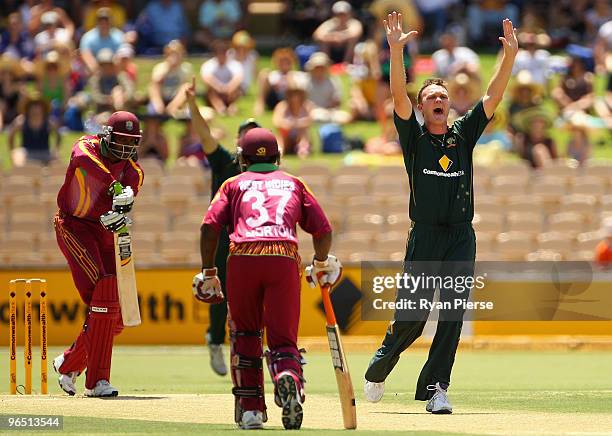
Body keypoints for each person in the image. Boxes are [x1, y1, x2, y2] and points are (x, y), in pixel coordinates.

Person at [364, 12, 518, 413]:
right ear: (421, 106)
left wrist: (509, 57)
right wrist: (396, 51)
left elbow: (493, 97)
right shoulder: (413, 138)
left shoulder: (463, 135)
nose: (438, 101)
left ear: (449, 106)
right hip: (425, 234)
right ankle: (382, 363)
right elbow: (398, 97)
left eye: (443, 97)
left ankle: (436, 389)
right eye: (431, 97)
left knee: (452, 314)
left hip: (460, 235)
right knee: (412, 317)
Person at [192, 126, 341, 430]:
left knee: (245, 334)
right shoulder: (294, 183)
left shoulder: (232, 183)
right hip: (283, 256)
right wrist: (321, 261)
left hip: (243, 256)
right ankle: (288, 378)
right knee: (283, 338)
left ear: (242, 158)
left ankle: (251, 411)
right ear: (279, 156)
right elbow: (323, 230)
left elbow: (209, 228)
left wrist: (209, 271)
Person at [52, 111, 144, 397]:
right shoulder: (86, 147)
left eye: (132, 143)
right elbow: (82, 160)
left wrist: (120, 211)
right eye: (122, 141)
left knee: (114, 315)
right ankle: (97, 382)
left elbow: (124, 201)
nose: (127, 149)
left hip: (104, 232)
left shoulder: (133, 171)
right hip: (74, 225)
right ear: (107, 136)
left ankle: (69, 363)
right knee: (105, 289)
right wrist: (115, 186)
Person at [184, 78, 262, 376]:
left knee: (252, 298)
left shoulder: (267, 170)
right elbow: (204, 136)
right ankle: (215, 339)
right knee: (219, 295)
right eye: (247, 134)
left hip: (254, 241)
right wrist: (192, 103)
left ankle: (251, 348)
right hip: (223, 240)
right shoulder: (226, 162)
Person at [8, 92, 60, 166]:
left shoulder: (49, 122)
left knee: (57, 163)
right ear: (28, 108)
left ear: (43, 108)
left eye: (37, 106)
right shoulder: (21, 121)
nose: (35, 109)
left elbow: (58, 136)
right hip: (27, 152)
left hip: (45, 152)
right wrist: (13, 151)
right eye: (32, 106)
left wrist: (56, 149)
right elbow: (11, 136)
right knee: (18, 157)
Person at [272, 72, 314, 157]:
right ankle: (280, 152)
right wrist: (289, 124)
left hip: (300, 136)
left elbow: (310, 121)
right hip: (286, 138)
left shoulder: (307, 106)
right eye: (292, 94)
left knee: (303, 133)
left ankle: (302, 151)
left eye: (297, 93)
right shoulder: (282, 106)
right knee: (282, 133)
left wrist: (296, 123)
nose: (295, 97)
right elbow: (276, 122)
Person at [200, 40, 244, 116]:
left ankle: (231, 106)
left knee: (237, 89)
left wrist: (228, 88)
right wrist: (219, 87)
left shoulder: (234, 64)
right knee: (210, 89)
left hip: (230, 92)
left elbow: (238, 78)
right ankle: (220, 107)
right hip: (215, 91)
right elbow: (206, 78)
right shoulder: (208, 65)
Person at [79, 7, 125, 73]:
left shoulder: (119, 36)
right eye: (101, 21)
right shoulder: (88, 37)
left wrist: (110, 71)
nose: (104, 24)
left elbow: (122, 57)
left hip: (114, 69)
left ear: (111, 21)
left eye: (106, 20)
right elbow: (86, 55)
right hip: (94, 70)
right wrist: (98, 71)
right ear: (97, 22)